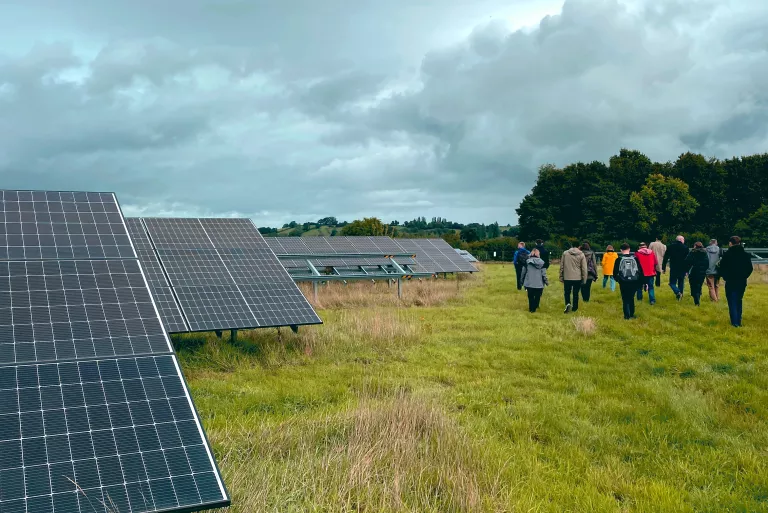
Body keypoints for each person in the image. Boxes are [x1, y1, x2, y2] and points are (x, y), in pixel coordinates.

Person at [718, 236, 754, 327]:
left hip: (730, 281)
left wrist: (725, 276)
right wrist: (744, 276)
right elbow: (750, 268)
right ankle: (738, 320)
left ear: (730, 243)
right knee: (739, 300)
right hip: (741, 281)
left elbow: (721, 267)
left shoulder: (727, 255)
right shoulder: (745, 255)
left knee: (732, 301)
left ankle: (734, 322)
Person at [613, 243, 642, 320]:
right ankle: (632, 314)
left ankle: (627, 315)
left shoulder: (618, 259)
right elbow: (640, 271)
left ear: (621, 250)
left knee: (625, 299)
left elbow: (615, 272)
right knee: (631, 297)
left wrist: (618, 280)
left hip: (623, 281)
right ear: (629, 249)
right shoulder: (635, 259)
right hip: (634, 281)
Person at [559, 242, 587, 314]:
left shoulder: (565, 253)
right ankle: (575, 307)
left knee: (567, 292)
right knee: (575, 293)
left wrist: (561, 276)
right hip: (577, 277)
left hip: (567, 276)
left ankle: (568, 303)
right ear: (579, 246)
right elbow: (584, 268)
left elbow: (561, 266)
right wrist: (584, 278)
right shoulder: (581, 254)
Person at [662, 235, 689, 301]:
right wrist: (687, 270)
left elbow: (665, 258)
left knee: (672, 283)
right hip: (682, 268)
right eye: (683, 239)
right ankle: (680, 294)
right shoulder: (685, 247)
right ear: (681, 240)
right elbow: (688, 260)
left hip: (674, 267)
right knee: (681, 282)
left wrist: (664, 267)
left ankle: (677, 292)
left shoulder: (671, 247)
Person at [521, 248, 548, 312]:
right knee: (537, 296)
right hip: (539, 283)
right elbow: (543, 274)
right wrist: (546, 281)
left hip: (529, 282)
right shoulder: (542, 263)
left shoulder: (527, 262)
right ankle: (535, 307)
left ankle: (531, 309)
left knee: (530, 297)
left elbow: (523, 272)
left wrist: (521, 281)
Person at [684, 241, 709, 306]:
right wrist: (704, 270)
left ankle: (696, 300)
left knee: (693, 285)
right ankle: (698, 296)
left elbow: (687, 262)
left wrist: (686, 270)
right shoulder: (705, 253)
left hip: (693, 271)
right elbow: (707, 263)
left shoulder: (692, 252)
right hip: (702, 272)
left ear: (695, 246)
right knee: (699, 285)